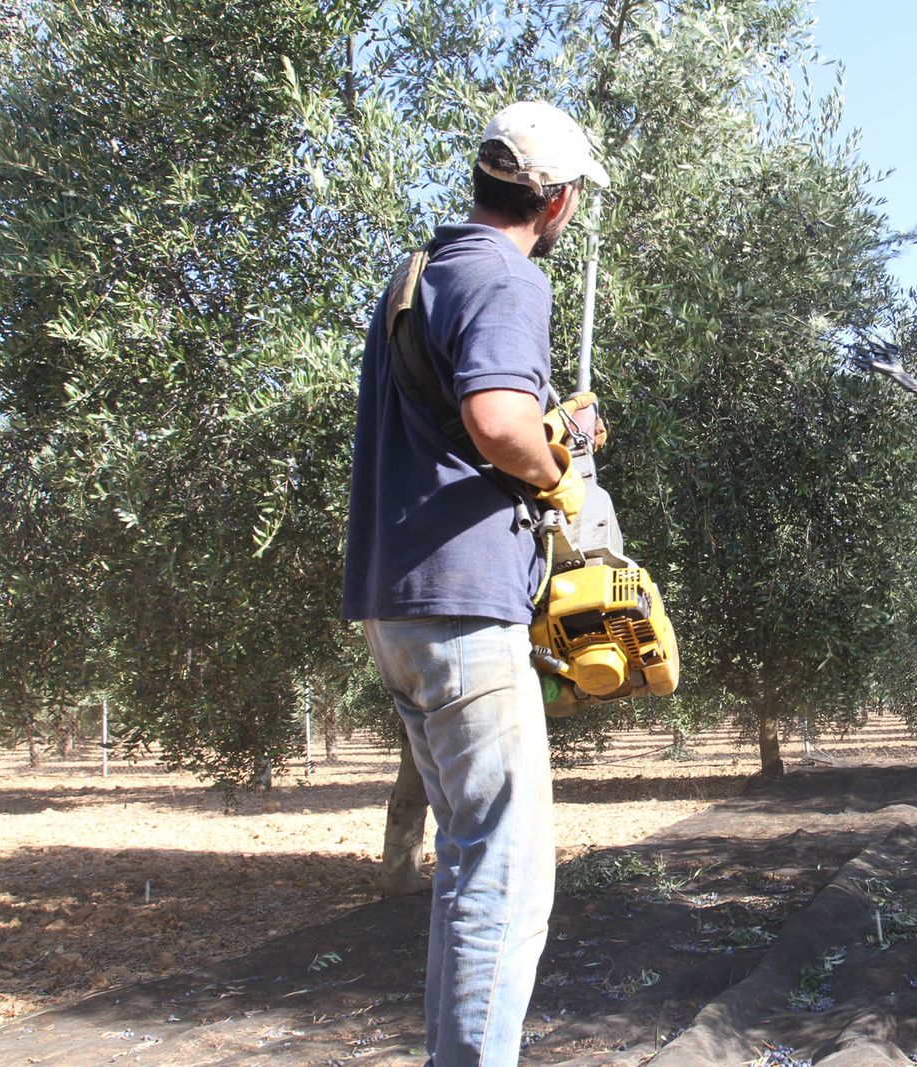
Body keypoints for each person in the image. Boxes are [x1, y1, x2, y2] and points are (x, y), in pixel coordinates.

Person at [341, 100, 609, 1065]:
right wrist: (558, 455)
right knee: (506, 875)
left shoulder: (421, 275)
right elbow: (497, 426)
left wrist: (553, 427)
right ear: (560, 201)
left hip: (400, 605)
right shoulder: (507, 275)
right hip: (462, 610)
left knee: (466, 864)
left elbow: (459, 425)